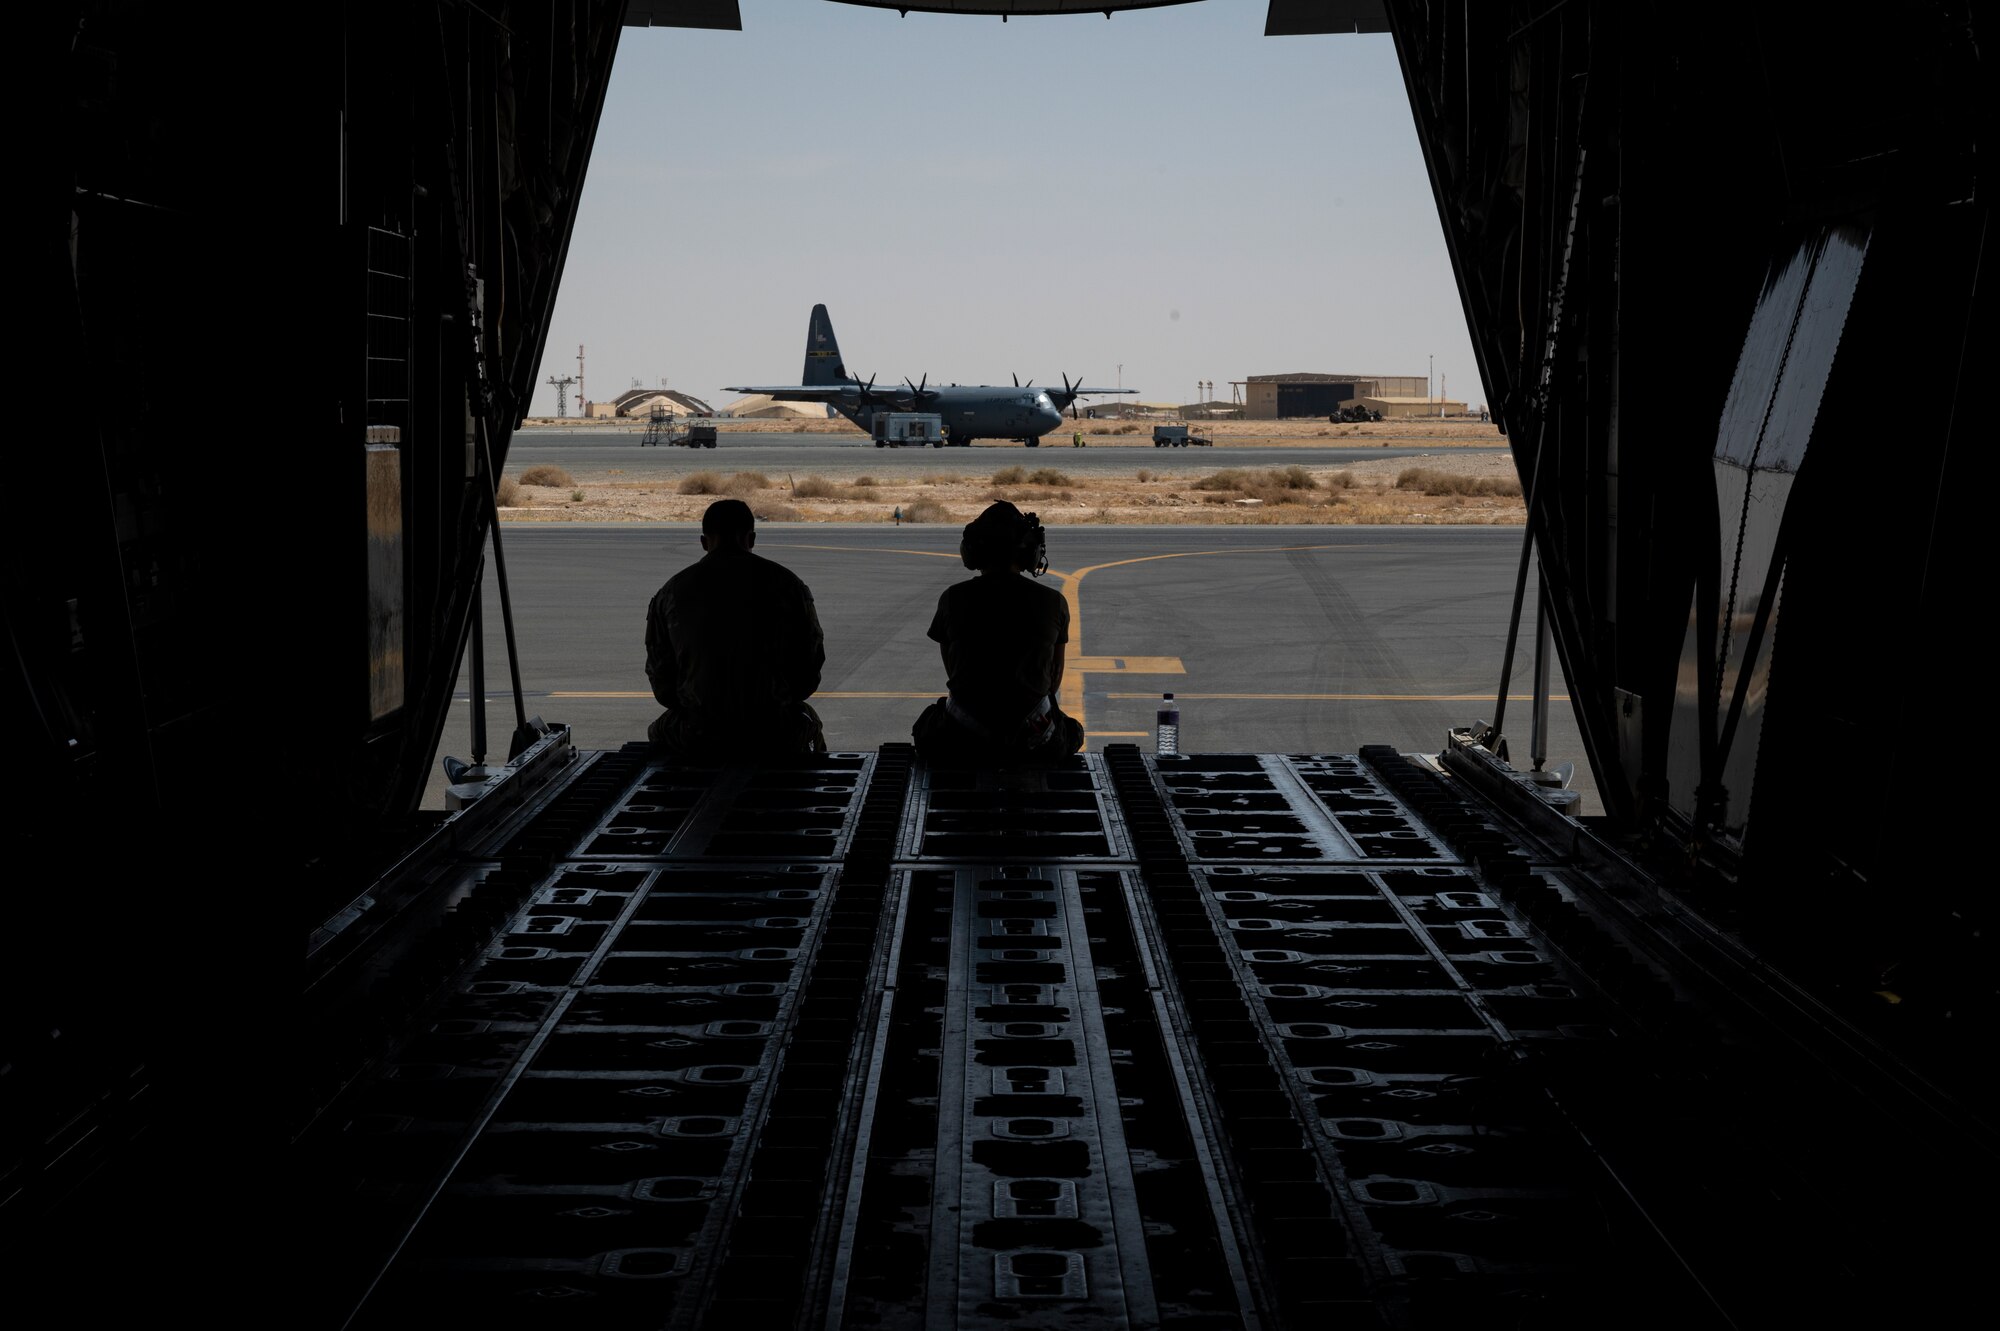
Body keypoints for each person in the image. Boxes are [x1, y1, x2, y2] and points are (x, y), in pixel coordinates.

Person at [645, 498, 827, 761]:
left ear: (704, 542)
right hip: (772, 731)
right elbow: (809, 672)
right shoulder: (788, 585)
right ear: (751, 539)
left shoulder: (671, 592)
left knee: (658, 734)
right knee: (808, 721)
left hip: (699, 733)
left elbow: (662, 684)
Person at [912, 501, 1084, 765]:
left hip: (961, 740)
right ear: (1030, 551)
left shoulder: (952, 599)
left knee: (927, 723)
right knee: (1073, 731)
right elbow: (1053, 681)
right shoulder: (1053, 602)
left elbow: (953, 671)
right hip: (1035, 743)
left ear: (972, 551)